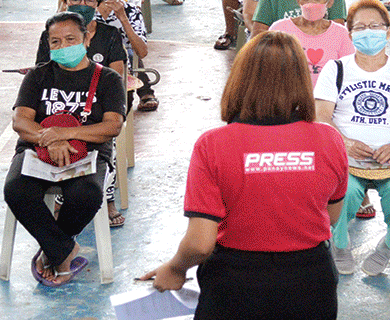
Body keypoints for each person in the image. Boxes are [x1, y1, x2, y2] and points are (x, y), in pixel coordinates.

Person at [140, 31, 347, 318]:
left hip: (235, 281)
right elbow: (331, 215)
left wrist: (175, 269)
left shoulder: (214, 145)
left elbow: (200, 243)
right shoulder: (330, 139)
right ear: (301, 79)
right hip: (310, 278)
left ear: (241, 79)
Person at [314, 0, 390, 276]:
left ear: (388, 31)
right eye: (360, 27)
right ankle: (339, 243)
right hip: (344, 155)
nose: (368, 32)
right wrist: (345, 143)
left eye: (375, 26)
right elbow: (322, 116)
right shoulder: (336, 69)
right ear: (350, 34)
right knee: (346, 192)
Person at [268, 0, 354, 84]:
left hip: (327, 97)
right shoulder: (279, 28)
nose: (311, 2)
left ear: (330, 1)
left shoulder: (340, 33)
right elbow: (269, 66)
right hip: (288, 95)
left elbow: (348, 70)